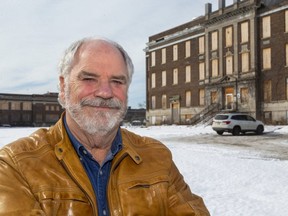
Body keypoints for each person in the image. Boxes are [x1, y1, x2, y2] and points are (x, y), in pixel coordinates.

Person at [0, 37, 210, 216]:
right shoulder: (16, 165)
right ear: (63, 87)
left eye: (117, 81)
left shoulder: (157, 158)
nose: (105, 92)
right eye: (89, 79)